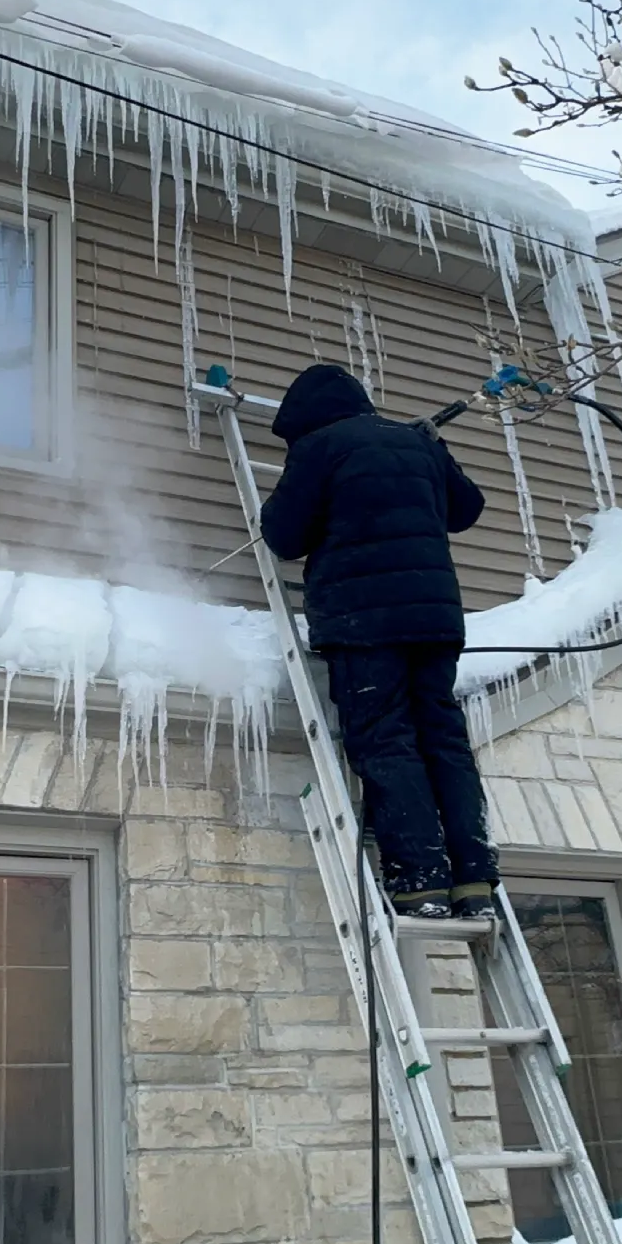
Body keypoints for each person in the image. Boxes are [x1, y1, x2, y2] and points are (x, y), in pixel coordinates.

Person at [259, 363, 500, 919]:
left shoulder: (320, 447)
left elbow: (283, 536)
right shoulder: (415, 441)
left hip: (364, 623)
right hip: (436, 620)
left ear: (305, 420)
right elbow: (468, 510)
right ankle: (473, 878)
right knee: (444, 741)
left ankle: (418, 878)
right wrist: (432, 454)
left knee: (385, 741)